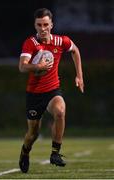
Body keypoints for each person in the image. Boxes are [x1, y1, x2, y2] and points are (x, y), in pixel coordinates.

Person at [18, 8, 84, 173]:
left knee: (60, 111)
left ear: (51, 25)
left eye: (45, 24)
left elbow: (75, 51)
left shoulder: (61, 41)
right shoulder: (30, 43)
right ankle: (25, 152)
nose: (42, 28)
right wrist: (37, 66)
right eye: (39, 25)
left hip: (52, 90)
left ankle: (55, 153)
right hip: (34, 94)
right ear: (35, 25)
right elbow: (22, 67)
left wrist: (79, 76)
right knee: (33, 133)